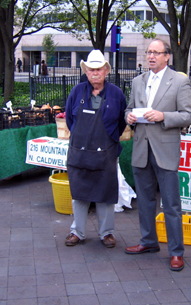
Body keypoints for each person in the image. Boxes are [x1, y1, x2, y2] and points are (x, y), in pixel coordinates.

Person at [124, 39, 191, 271]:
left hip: (165, 149)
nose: (151, 56)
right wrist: (129, 117)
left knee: (171, 204)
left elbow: (188, 116)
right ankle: (148, 242)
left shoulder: (180, 81)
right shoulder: (137, 81)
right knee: (144, 201)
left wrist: (163, 116)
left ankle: (176, 252)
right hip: (141, 149)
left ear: (168, 57)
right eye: (149, 52)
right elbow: (129, 108)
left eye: (156, 53)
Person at [64, 49, 127, 248]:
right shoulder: (76, 92)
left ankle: (106, 233)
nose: (95, 73)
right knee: (79, 194)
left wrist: (108, 139)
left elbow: (121, 122)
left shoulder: (116, 94)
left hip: (106, 154)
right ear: (86, 71)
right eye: (91, 69)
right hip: (79, 153)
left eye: (99, 69)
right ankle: (77, 232)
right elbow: (69, 119)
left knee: (106, 194)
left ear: (106, 71)